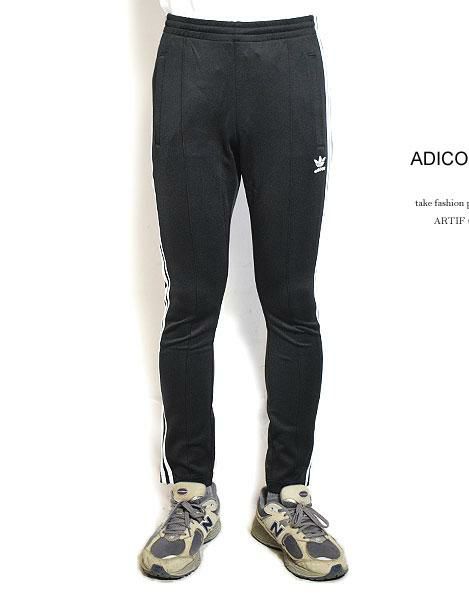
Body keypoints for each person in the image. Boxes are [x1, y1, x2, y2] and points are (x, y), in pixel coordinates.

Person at [139, 10, 347, 581]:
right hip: (190, 57)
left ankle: (287, 500)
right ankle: (191, 497)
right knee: (191, 303)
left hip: (288, 60)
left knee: (292, 302)